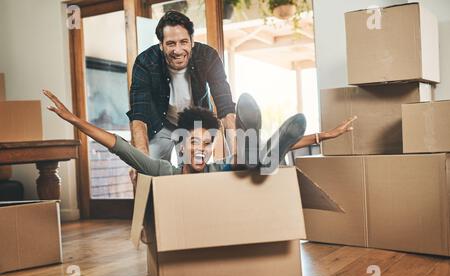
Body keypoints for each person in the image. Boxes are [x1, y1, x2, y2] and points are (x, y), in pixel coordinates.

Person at [43, 90, 357, 176]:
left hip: (244, 169)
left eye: (207, 143)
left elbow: (231, 162)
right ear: (180, 143)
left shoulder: (217, 167)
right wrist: (72, 119)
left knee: (247, 165)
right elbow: (120, 146)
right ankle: (260, 147)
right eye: (194, 142)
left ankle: (263, 147)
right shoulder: (163, 171)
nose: (201, 149)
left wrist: (322, 136)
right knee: (252, 163)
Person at [127, 11, 238, 181]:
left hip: (193, 126)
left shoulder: (208, 56)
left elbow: (226, 108)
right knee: (147, 174)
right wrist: (140, 158)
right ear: (161, 45)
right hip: (159, 124)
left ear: (192, 41)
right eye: (171, 43)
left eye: (184, 42)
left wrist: (239, 156)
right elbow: (139, 115)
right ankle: (153, 207)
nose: (178, 50)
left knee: (194, 177)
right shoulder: (145, 62)